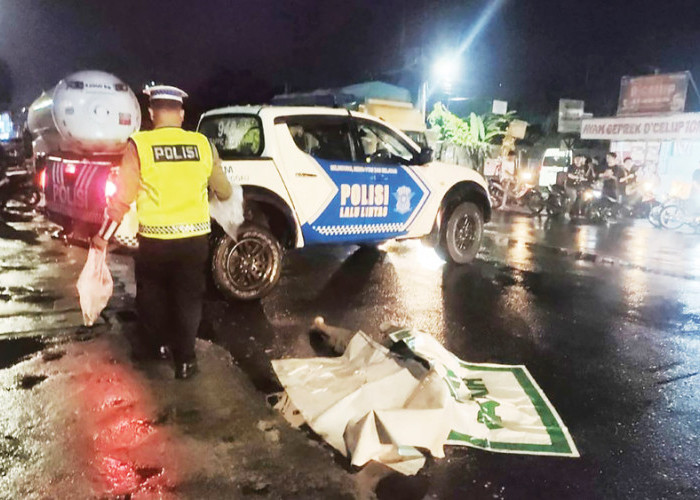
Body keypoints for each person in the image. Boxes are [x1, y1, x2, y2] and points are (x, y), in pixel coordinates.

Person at [92, 85, 232, 379]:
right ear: (181, 114)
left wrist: (102, 236)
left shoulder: (139, 145)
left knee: (152, 296)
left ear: (152, 113)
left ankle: (157, 347)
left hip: (155, 242)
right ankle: (185, 361)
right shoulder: (203, 144)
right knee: (188, 299)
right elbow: (224, 190)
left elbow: (122, 198)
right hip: (193, 242)